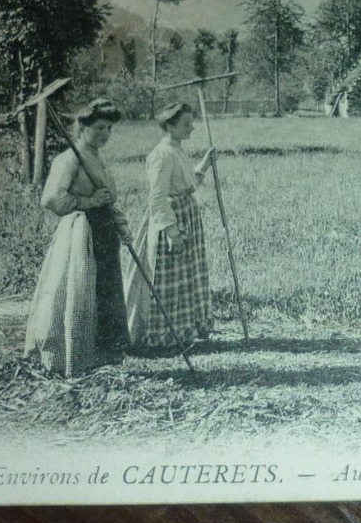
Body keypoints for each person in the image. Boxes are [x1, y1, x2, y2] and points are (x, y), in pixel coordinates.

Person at [24, 97, 130, 376]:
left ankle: (105, 355)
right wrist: (88, 201)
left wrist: (111, 212)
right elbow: (51, 199)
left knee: (105, 292)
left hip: (105, 233)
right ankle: (75, 354)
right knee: (82, 292)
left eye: (109, 128)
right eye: (99, 127)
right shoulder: (70, 158)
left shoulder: (95, 157)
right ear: (81, 128)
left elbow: (109, 199)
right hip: (81, 234)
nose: (105, 134)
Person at [124, 101, 217, 352]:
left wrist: (205, 166)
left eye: (191, 122)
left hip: (187, 216)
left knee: (186, 276)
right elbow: (157, 198)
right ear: (169, 126)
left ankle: (184, 330)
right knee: (168, 280)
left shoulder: (177, 150)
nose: (192, 128)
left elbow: (186, 184)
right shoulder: (161, 155)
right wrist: (172, 231)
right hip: (171, 221)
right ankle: (162, 337)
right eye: (186, 123)